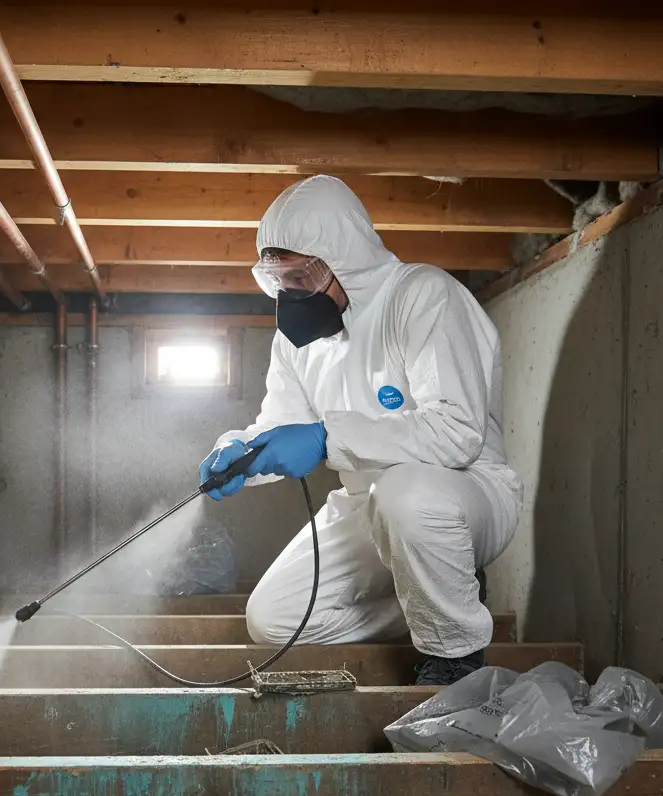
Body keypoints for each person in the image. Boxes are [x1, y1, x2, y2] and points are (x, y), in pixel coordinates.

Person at [200, 175, 522, 686]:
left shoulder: (421, 296)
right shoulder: (296, 346)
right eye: (279, 278)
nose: (290, 292)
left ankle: (453, 655)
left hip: (463, 494)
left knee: (405, 495)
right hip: (365, 506)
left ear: (342, 256)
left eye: (301, 276)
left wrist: (328, 438)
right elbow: (280, 428)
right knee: (273, 619)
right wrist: (239, 452)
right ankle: (440, 598)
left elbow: (458, 432)